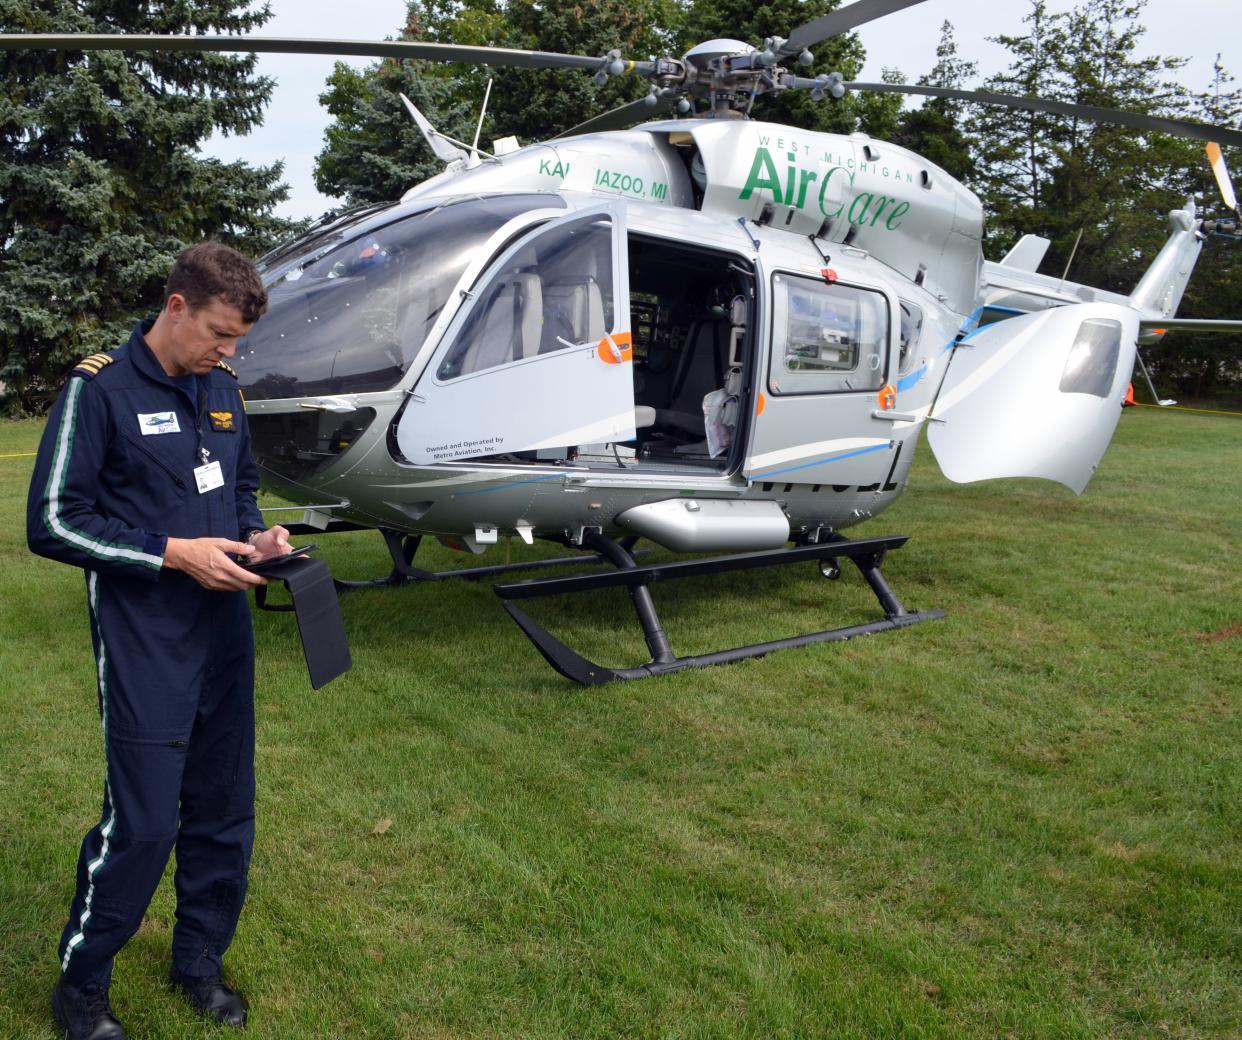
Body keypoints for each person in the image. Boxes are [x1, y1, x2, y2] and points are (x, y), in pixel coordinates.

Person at [27, 243, 291, 1040]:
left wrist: (258, 535)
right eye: (218, 332)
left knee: (222, 810)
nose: (227, 351)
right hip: (145, 639)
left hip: (225, 636)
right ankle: (81, 989)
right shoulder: (98, 390)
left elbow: (238, 481)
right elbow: (53, 520)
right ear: (176, 307)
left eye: (238, 340)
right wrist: (173, 553)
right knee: (141, 824)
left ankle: (198, 963)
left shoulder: (221, 386)